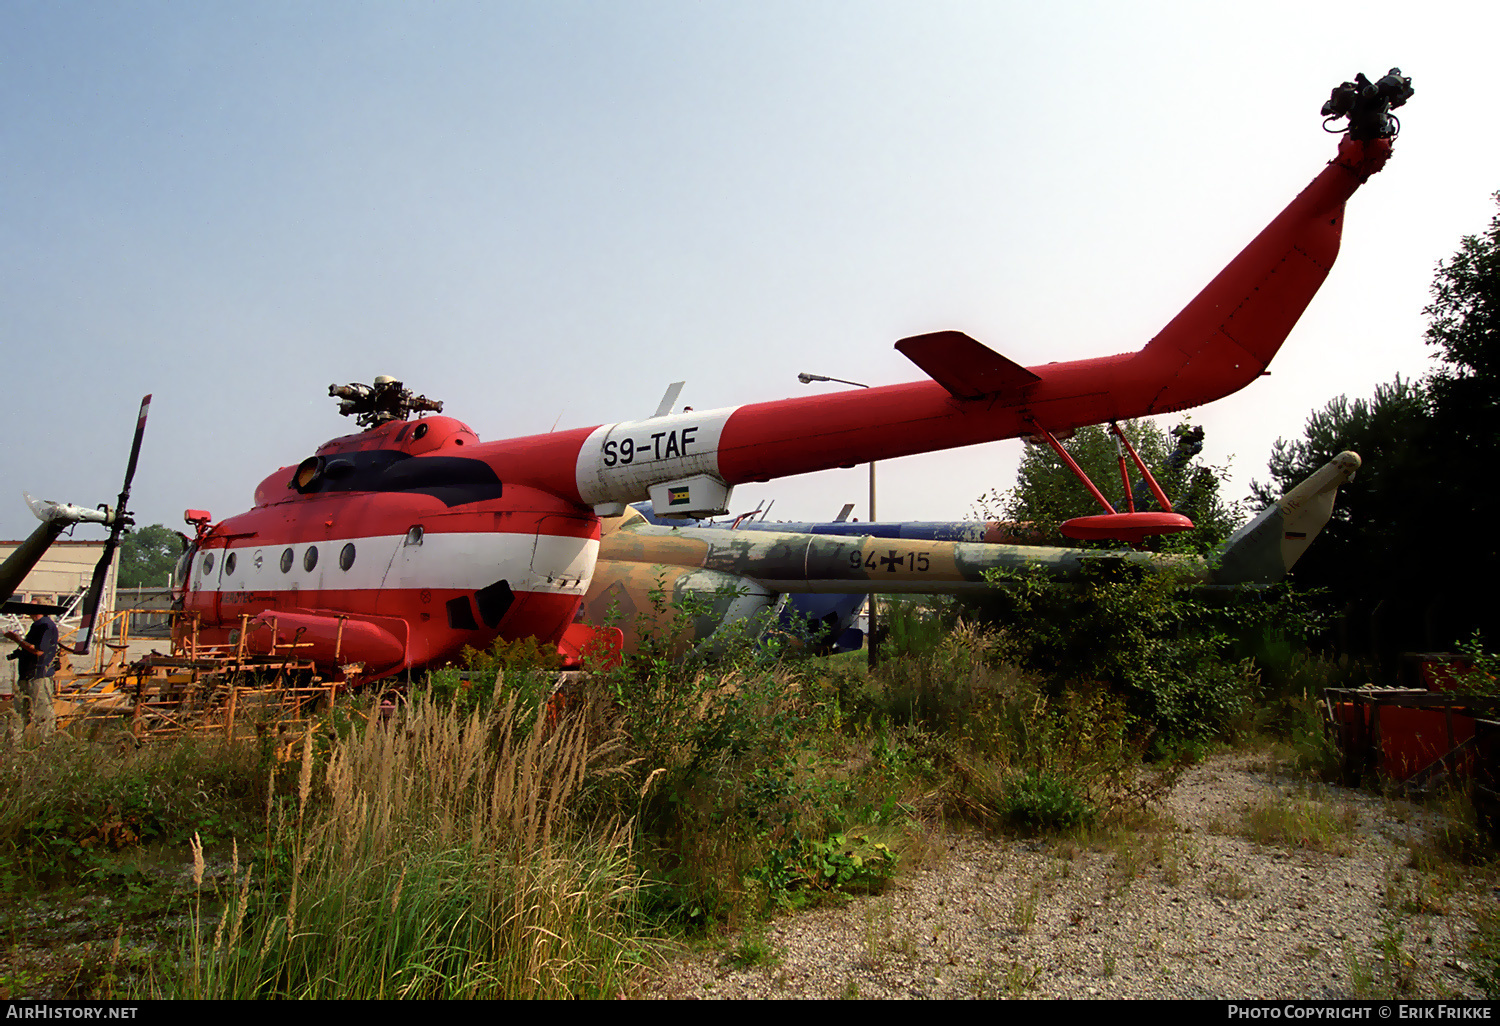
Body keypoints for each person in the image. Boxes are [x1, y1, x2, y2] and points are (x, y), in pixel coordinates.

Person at [4, 609, 59, 741]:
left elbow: (38, 651)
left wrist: (17, 639)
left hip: (37, 676)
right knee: (18, 715)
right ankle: (13, 750)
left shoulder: (45, 625)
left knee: (42, 715)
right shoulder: (37, 625)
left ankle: (45, 749)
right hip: (27, 675)